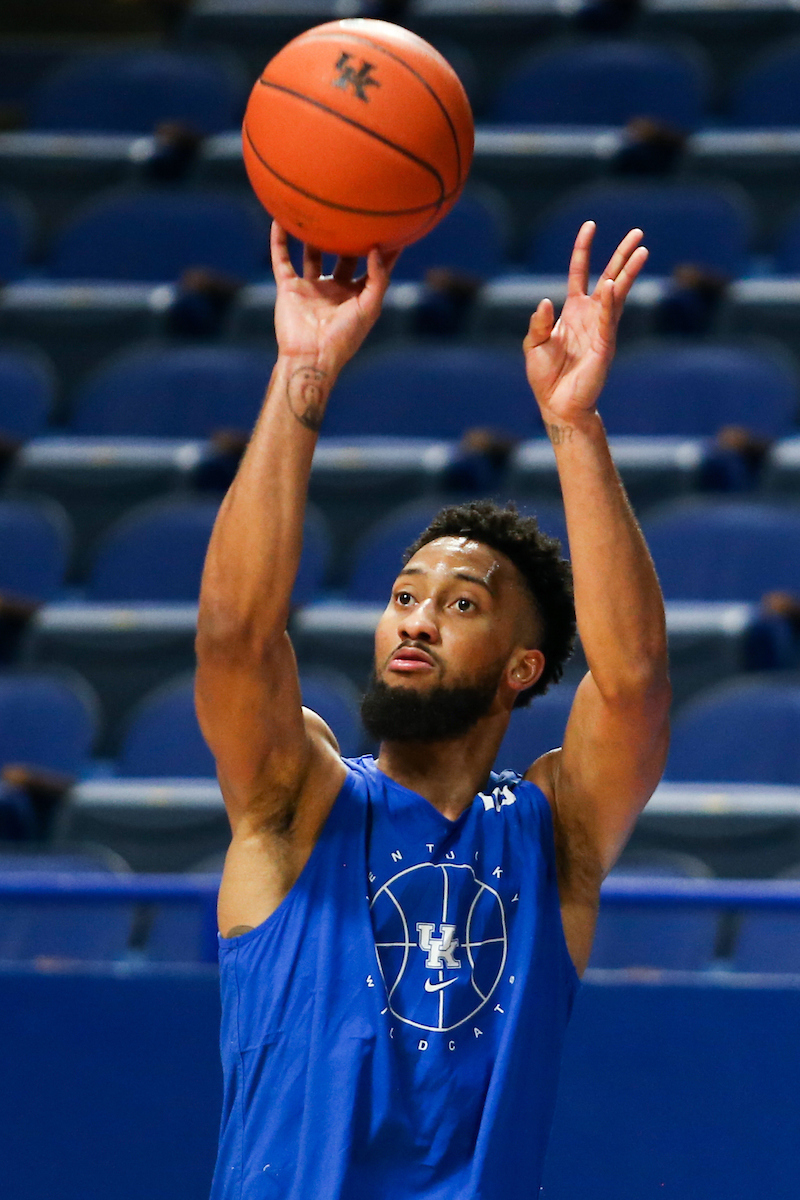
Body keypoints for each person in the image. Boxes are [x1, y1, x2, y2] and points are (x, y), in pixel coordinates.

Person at [196, 219, 670, 1200]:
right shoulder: (299, 802)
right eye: (404, 596)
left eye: (459, 607)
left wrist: (574, 426)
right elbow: (235, 639)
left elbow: (631, 685)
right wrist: (301, 375)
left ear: (520, 668)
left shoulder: (554, 837)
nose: (413, 622)